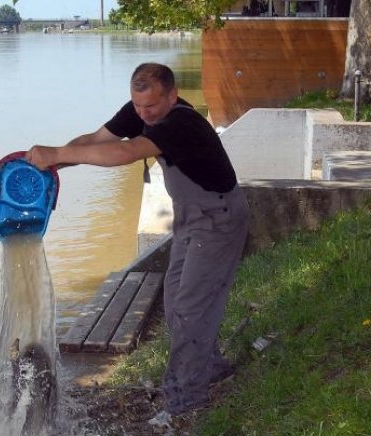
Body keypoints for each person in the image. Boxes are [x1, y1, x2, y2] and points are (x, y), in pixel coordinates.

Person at [25, 62, 249, 418]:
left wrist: (58, 153)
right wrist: (53, 162)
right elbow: (97, 141)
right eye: (138, 106)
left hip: (218, 219)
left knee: (191, 306)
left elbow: (125, 153)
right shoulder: (141, 109)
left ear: (173, 95)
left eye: (152, 107)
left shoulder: (181, 123)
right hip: (191, 217)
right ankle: (210, 368)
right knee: (176, 297)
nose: (144, 113)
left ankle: (185, 400)